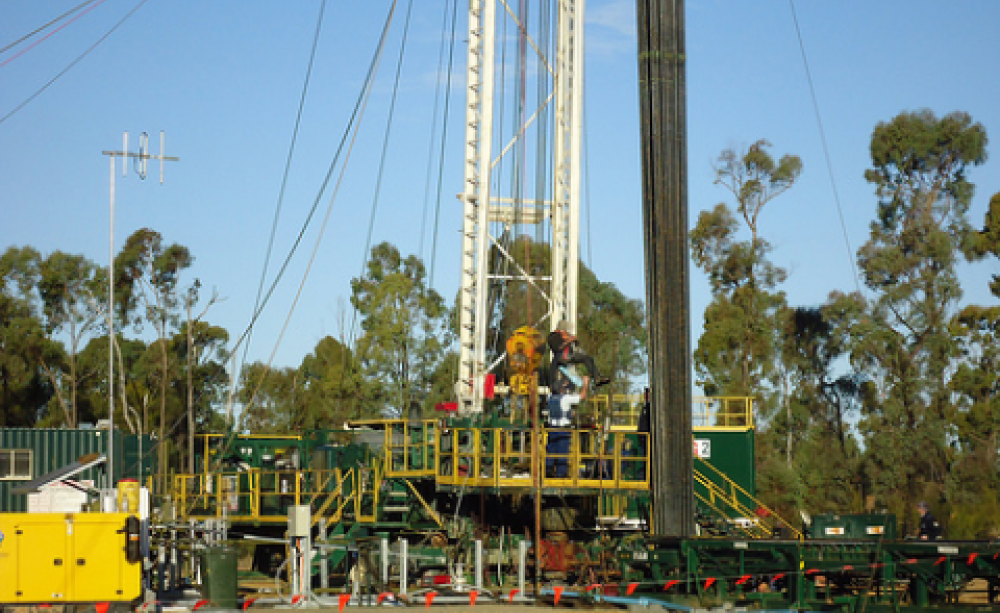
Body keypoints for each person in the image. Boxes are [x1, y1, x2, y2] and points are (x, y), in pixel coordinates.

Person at [544, 322, 605, 477]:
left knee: (587, 359)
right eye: (565, 331)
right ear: (560, 330)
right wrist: (584, 384)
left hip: (554, 428)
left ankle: (598, 377)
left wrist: (573, 341)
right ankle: (557, 473)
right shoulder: (553, 337)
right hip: (560, 360)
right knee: (561, 453)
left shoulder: (552, 398)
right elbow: (558, 349)